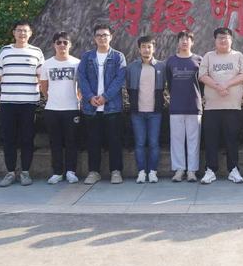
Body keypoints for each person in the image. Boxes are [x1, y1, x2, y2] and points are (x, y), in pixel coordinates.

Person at [0, 20, 45, 187]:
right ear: (13, 33)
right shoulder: (5, 51)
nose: (22, 33)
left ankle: (25, 172)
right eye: (19, 30)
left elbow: (41, 76)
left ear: (30, 34)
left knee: (27, 138)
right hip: (8, 102)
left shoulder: (37, 52)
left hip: (29, 103)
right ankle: (10, 172)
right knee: (9, 138)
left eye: (25, 31)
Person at [77, 24, 127, 185]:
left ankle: (116, 171)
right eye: (98, 35)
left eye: (105, 35)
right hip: (91, 107)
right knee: (93, 141)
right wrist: (90, 97)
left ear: (111, 37)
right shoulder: (87, 57)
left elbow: (119, 80)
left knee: (114, 141)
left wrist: (105, 97)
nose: (102, 38)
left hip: (112, 107)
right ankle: (94, 172)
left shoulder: (118, 57)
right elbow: (82, 78)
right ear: (94, 38)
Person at [198, 27, 243, 184]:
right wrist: (218, 86)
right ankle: (210, 170)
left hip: (233, 107)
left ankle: (233, 170)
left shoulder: (238, 56)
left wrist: (226, 84)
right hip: (212, 107)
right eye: (220, 37)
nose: (223, 40)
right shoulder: (208, 56)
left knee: (232, 139)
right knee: (211, 140)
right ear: (215, 40)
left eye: (226, 37)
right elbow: (202, 75)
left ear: (231, 40)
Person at [39, 31, 80, 184]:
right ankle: (57, 172)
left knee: (71, 142)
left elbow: (81, 86)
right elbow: (44, 86)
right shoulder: (47, 64)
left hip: (72, 108)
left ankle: (71, 171)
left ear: (70, 45)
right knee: (55, 142)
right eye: (58, 42)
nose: (62, 45)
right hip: (52, 109)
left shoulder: (77, 63)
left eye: (65, 42)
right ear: (54, 45)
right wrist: (50, 98)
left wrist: (78, 99)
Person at [126, 36, 166, 183]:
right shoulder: (132, 67)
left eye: (149, 46)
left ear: (153, 49)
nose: (146, 49)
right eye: (143, 46)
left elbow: (165, 86)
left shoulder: (161, 66)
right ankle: (142, 172)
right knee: (140, 143)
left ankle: (153, 171)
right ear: (139, 49)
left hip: (155, 112)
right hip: (138, 112)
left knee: (154, 143)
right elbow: (129, 87)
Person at [165, 30, 203, 183]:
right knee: (177, 140)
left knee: (194, 140)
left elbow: (202, 84)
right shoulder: (171, 61)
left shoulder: (199, 60)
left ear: (192, 42)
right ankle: (179, 170)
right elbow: (169, 83)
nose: (184, 41)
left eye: (188, 39)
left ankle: (192, 171)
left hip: (194, 106)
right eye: (181, 39)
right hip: (176, 106)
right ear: (178, 42)